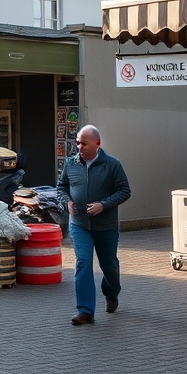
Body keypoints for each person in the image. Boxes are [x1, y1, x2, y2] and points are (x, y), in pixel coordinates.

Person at [57, 124, 131, 326]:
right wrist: (66, 202)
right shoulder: (71, 164)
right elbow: (61, 187)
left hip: (106, 226)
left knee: (109, 266)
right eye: (77, 143)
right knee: (83, 263)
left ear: (97, 143)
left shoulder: (112, 165)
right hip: (79, 225)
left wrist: (103, 205)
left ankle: (111, 293)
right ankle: (85, 311)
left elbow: (124, 191)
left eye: (84, 143)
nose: (79, 147)